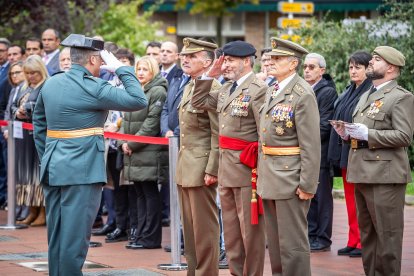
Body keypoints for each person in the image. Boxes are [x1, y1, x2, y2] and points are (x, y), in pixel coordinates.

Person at [32, 34, 148, 276]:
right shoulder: (94, 87)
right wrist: (121, 69)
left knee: (57, 233)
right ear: (94, 59)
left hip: (53, 165)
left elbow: (39, 123)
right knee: (75, 238)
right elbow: (138, 99)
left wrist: (48, 155)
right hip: (83, 170)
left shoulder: (51, 83)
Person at [332, 46, 414, 276]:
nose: (371, 63)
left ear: (390, 67)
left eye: (376, 60)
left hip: (384, 175)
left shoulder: (401, 97)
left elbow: (404, 136)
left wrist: (367, 134)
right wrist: (348, 134)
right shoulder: (368, 94)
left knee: (387, 235)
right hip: (361, 170)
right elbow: (363, 131)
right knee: (368, 235)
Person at [192, 40, 267, 275]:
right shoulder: (225, 88)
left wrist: (261, 169)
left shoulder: (259, 89)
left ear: (246, 61)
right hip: (226, 168)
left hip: (247, 169)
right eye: (223, 60)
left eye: (230, 60)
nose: (224, 65)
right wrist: (208, 75)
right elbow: (199, 102)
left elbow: (263, 133)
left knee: (250, 232)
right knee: (233, 233)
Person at [257, 38, 321, 276]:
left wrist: (307, 184)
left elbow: (311, 144)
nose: (271, 62)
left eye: (277, 59)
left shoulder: (302, 93)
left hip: (290, 177)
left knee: (292, 244)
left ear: (293, 63)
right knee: (275, 243)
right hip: (270, 175)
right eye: (271, 58)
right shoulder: (274, 88)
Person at [176, 37, 220, 275]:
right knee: (190, 228)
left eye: (192, 56)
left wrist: (212, 168)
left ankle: (206, 272)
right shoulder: (191, 85)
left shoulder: (212, 88)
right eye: (184, 55)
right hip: (186, 166)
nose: (185, 59)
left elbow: (217, 131)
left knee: (204, 229)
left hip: (202, 167)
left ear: (207, 61)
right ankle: (193, 271)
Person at [328, 51, 372, 258]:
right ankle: (353, 240)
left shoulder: (370, 91)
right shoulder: (349, 90)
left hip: (360, 151)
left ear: (367, 69)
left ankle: (363, 242)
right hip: (345, 150)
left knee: (360, 200)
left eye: (358, 67)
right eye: (351, 67)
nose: (353, 71)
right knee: (350, 199)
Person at [120, 55, 167, 250]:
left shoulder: (157, 91)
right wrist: (125, 140)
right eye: (138, 69)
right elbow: (126, 119)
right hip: (134, 150)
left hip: (147, 150)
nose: (140, 73)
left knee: (149, 194)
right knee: (139, 194)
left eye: (145, 70)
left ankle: (150, 238)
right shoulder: (137, 90)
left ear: (153, 71)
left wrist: (132, 143)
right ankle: (139, 234)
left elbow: (151, 122)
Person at [303, 53, 338, 252]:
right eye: (305, 67)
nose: (307, 70)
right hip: (306, 153)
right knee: (309, 197)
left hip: (321, 153)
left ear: (321, 71)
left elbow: (324, 126)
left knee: (322, 197)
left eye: (312, 67)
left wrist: (299, 135)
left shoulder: (326, 92)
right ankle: (311, 234)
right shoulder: (305, 89)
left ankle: (323, 238)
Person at [11, 55, 48, 226]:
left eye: (34, 72)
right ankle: (31, 211)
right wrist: (17, 112)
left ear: (40, 70)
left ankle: (42, 212)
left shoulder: (46, 86)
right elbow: (12, 105)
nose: (31, 76)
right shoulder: (24, 87)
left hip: (38, 136)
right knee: (25, 173)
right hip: (23, 136)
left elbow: (45, 109)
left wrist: (28, 110)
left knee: (36, 174)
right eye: (28, 73)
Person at [0, 38, 11, 209]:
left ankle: (3, 196)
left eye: (1, 50)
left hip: (5, 123)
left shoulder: (11, 71)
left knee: (5, 163)